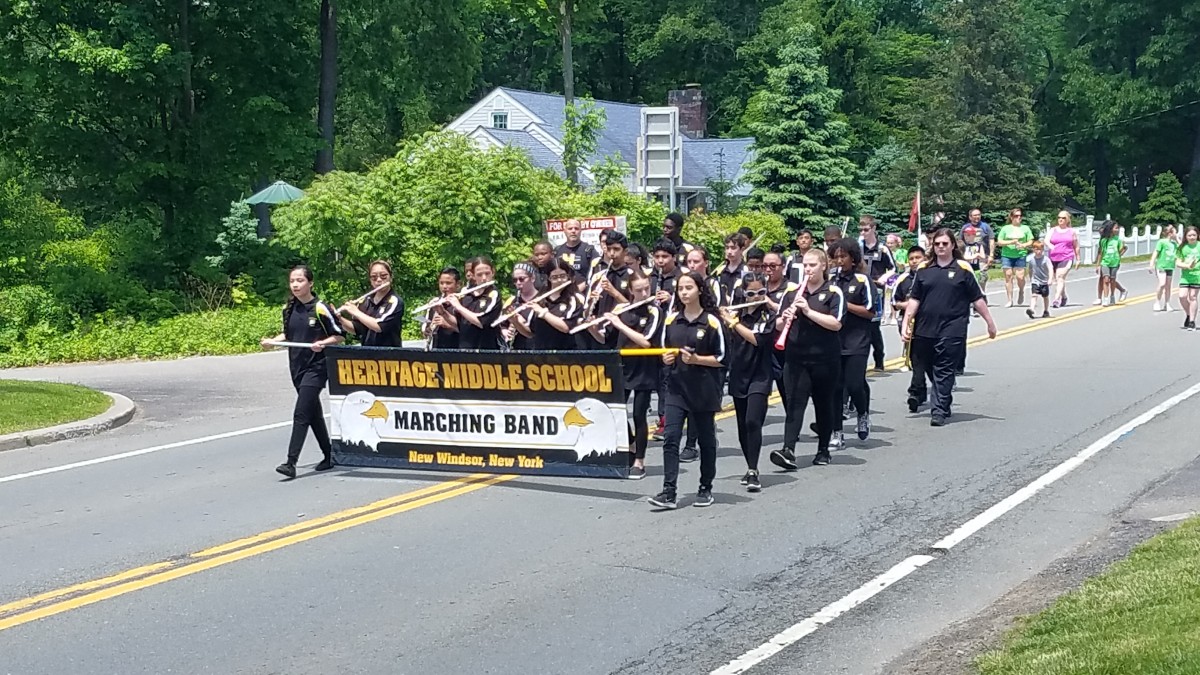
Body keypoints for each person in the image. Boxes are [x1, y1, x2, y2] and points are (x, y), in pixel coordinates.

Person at [903, 229, 998, 426]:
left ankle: (938, 410)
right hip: (925, 329)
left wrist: (990, 322)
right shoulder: (924, 269)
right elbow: (914, 300)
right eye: (937, 244)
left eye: (945, 244)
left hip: (953, 327)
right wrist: (906, 322)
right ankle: (944, 401)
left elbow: (977, 299)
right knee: (928, 366)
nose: (941, 247)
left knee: (944, 368)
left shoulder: (962, 269)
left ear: (953, 245)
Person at [649, 272, 726, 510]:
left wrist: (696, 359)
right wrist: (667, 358)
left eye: (689, 287)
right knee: (671, 438)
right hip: (676, 388)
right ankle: (669, 491)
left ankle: (705, 487)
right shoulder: (671, 320)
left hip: (703, 389)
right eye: (680, 288)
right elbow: (663, 351)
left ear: (699, 290)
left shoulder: (712, 322)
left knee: (705, 440)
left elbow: (722, 358)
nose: (684, 292)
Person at [261, 266, 345, 478]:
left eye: (300, 280)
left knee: (301, 413)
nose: (296, 285)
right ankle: (329, 455)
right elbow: (289, 334)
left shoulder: (320, 308)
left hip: (317, 367)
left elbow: (339, 335)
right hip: (296, 365)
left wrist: (322, 343)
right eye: (292, 281)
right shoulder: (288, 309)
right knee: (313, 413)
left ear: (310, 283)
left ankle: (291, 462)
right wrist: (273, 342)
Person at [769, 250, 845, 469]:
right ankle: (788, 449)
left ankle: (823, 450)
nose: (808, 269)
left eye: (812, 265)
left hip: (825, 358)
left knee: (823, 404)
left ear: (823, 266)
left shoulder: (832, 292)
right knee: (794, 403)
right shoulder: (791, 292)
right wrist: (785, 319)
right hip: (796, 357)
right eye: (806, 265)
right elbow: (777, 325)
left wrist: (809, 311)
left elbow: (836, 323)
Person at [603, 274, 661, 480]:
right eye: (639, 290)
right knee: (615, 411)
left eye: (647, 288)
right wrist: (594, 324)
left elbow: (646, 341)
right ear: (631, 291)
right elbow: (604, 337)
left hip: (644, 368)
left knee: (638, 415)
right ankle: (630, 444)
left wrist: (618, 323)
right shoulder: (622, 310)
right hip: (622, 367)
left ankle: (640, 461)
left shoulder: (654, 310)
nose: (645, 293)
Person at [723, 272, 774, 492]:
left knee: (754, 421)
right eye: (752, 293)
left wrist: (733, 323)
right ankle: (749, 465)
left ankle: (753, 470)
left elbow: (757, 340)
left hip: (760, 374)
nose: (757, 297)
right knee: (743, 424)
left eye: (761, 292)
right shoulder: (736, 313)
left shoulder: (768, 316)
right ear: (744, 294)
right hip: (738, 373)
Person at [828, 239, 874, 443]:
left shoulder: (862, 280)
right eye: (836, 256)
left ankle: (863, 414)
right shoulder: (830, 281)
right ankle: (836, 431)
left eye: (843, 256)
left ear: (853, 258)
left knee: (854, 384)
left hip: (857, 340)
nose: (839, 260)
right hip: (834, 341)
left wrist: (845, 305)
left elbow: (870, 312)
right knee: (835, 388)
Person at [650, 239, 682, 439]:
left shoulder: (681, 278)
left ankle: (666, 419)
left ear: (674, 258)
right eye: (657, 257)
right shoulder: (650, 276)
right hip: (653, 334)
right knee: (657, 378)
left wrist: (672, 299)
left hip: (672, 334)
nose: (660, 261)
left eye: (665, 257)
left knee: (668, 379)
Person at [857, 216, 895, 371]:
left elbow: (893, 268)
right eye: (861, 230)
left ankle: (879, 359)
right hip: (860, 288)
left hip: (876, 289)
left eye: (866, 230)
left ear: (873, 229)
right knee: (860, 326)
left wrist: (884, 277)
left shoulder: (882, 249)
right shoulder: (858, 248)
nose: (863, 233)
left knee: (873, 327)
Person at [338, 260, 403, 347]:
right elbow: (356, 329)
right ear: (370, 280)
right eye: (374, 277)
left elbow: (379, 327)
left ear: (391, 277)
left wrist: (356, 312)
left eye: (383, 276)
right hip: (367, 354)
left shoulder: (395, 301)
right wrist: (338, 318)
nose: (379, 280)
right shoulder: (365, 301)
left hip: (389, 355)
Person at [524, 259, 584, 351]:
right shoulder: (540, 299)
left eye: (563, 276)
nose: (559, 280)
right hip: (541, 354)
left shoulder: (574, 299)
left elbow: (565, 327)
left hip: (564, 355)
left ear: (568, 276)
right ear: (548, 278)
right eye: (555, 277)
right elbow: (530, 333)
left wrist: (543, 313)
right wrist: (515, 320)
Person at [446, 256, 503, 350]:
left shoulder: (493, 294)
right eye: (479, 275)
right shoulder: (466, 293)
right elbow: (458, 324)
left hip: (486, 351)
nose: (484, 278)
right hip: (465, 348)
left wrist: (458, 306)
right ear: (473, 275)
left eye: (487, 273)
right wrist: (442, 312)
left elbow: (481, 322)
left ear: (493, 272)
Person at [891, 246, 926, 373]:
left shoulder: (931, 275)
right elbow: (894, 301)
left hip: (927, 319)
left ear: (925, 259)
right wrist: (908, 305)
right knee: (915, 351)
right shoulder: (903, 279)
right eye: (911, 259)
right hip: (908, 318)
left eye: (918, 258)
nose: (915, 261)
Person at [500, 262, 542, 351]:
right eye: (515, 280)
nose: (518, 283)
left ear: (533, 278)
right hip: (516, 349)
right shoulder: (512, 301)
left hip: (536, 349)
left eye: (522, 279)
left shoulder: (542, 300)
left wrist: (519, 323)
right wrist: (506, 333)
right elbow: (502, 325)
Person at [995, 208, 1033, 307]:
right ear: (1011, 217)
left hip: (1020, 254)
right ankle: (1010, 300)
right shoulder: (1005, 228)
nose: (1018, 218)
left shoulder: (1025, 228)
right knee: (1008, 276)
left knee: (1020, 277)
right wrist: (1011, 242)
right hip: (1007, 255)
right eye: (1016, 216)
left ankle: (1021, 290)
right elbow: (999, 242)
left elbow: (1030, 241)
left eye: (1020, 216)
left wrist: (1024, 245)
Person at [555, 218, 602, 287]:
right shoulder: (558, 251)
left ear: (580, 231)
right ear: (564, 231)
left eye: (576, 228)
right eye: (570, 229)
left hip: (584, 293)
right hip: (564, 294)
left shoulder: (589, 250)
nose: (573, 231)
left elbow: (598, 273)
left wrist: (582, 287)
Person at [1047, 211, 1080, 308]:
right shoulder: (1053, 230)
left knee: (1060, 277)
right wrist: (1051, 246)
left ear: (1067, 220)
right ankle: (1064, 296)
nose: (1060, 219)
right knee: (1059, 279)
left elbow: (1076, 246)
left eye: (1063, 218)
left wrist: (1078, 259)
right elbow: (1046, 240)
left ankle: (1056, 299)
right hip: (1053, 257)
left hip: (1067, 257)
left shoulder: (1071, 232)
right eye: (1059, 217)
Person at [424, 267, 462, 350]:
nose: (444, 287)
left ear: (458, 284)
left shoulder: (463, 303)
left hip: (457, 351)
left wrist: (448, 325)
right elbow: (425, 329)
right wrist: (428, 330)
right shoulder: (434, 302)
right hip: (437, 350)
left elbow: (468, 331)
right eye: (441, 283)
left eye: (448, 283)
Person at [1094, 220, 1128, 306]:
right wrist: (1098, 265)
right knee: (1105, 279)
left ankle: (1112, 296)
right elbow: (1100, 252)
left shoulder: (1118, 240)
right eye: (1116, 228)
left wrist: (1121, 252)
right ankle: (1104, 298)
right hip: (1105, 262)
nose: (1118, 230)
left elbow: (1122, 250)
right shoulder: (1103, 240)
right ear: (1110, 229)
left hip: (1115, 263)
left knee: (1112, 280)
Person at [1176, 226, 1200, 330]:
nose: (1192, 237)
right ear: (1186, 236)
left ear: (1197, 235)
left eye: (1194, 235)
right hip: (1185, 276)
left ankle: (1192, 322)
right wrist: (1187, 266)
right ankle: (1189, 314)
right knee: (1182, 296)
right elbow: (1177, 262)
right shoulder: (1182, 248)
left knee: (1193, 297)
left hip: (1197, 275)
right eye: (1189, 235)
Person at [1150, 225, 1178, 312]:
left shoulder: (1174, 244)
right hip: (1161, 266)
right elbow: (1156, 253)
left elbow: (1182, 248)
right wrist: (1151, 263)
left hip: (1170, 266)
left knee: (1168, 286)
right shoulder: (1162, 242)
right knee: (1162, 284)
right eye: (1175, 232)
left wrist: (1177, 239)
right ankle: (1157, 302)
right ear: (1170, 233)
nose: (1176, 234)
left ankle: (1167, 303)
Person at [716, 232, 750, 300]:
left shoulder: (746, 271)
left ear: (742, 249)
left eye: (733, 248)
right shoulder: (720, 270)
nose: (729, 251)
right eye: (727, 248)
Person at [1025, 241, 1053, 319]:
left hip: (1044, 281)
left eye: (1040, 249)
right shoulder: (1031, 260)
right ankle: (1031, 309)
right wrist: (1031, 278)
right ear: (1033, 250)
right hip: (1035, 280)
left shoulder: (1046, 259)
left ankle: (1046, 310)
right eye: (1036, 249)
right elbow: (1030, 270)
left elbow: (1050, 269)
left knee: (1045, 296)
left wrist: (1050, 279)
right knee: (1034, 295)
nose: (1039, 251)